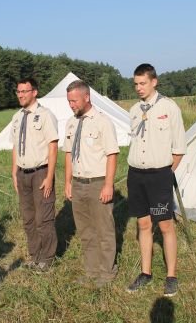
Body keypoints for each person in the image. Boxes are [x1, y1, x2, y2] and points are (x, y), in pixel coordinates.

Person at [125, 63, 186, 297]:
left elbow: (179, 148)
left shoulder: (169, 108)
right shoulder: (132, 110)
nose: (139, 88)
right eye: (136, 84)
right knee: (143, 224)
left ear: (154, 82)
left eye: (142, 83)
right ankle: (146, 272)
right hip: (136, 174)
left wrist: (166, 174)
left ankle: (171, 276)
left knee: (165, 225)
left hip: (160, 174)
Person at [63, 80, 119, 288]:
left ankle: (106, 272)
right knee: (85, 230)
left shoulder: (103, 122)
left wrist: (108, 185)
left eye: (74, 100)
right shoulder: (71, 123)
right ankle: (91, 270)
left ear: (87, 97)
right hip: (78, 183)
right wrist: (67, 182)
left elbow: (112, 155)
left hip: (97, 182)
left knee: (104, 229)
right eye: (69, 101)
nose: (71, 105)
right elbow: (68, 154)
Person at [10, 77, 59, 272]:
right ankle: (35, 255)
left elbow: (53, 146)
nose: (20, 95)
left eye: (24, 91)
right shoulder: (16, 117)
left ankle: (47, 259)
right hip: (22, 174)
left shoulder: (45, 115)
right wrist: (14, 172)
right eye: (18, 91)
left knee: (43, 218)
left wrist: (49, 176)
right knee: (28, 218)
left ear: (34, 92)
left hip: (41, 173)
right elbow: (15, 146)